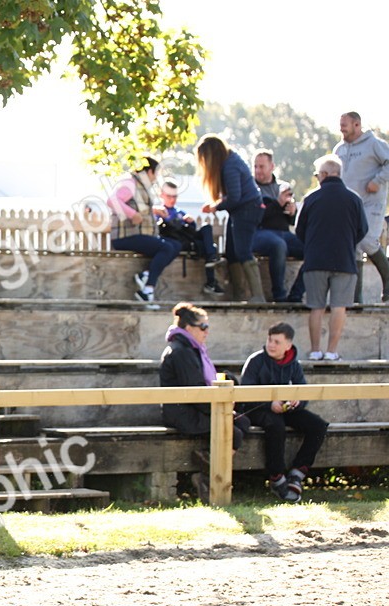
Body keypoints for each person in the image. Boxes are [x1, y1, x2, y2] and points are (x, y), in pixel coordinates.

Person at [158, 302, 249, 502]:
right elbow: (195, 392)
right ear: (189, 328)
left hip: (193, 409)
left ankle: (207, 461)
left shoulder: (191, 348)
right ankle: (210, 480)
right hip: (182, 414)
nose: (207, 332)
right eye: (204, 327)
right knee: (232, 431)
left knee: (242, 421)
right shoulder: (181, 351)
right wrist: (220, 412)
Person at [239, 322, 329, 502]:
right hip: (256, 409)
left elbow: (303, 392)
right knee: (275, 425)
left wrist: (297, 402)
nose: (271, 345)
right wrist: (269, 404)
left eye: (277, 342)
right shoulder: (256, 361)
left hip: (284, 409)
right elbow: (245, 394)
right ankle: (276, 476)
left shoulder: (294, 364)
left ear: (288, 345)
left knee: (318, 426)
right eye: (269, 340)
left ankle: (298, 472)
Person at [296, 155, 368, 361]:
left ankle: (315, 349)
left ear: (325, 174)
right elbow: (362, 229)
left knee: (316, 307)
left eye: (318, 174)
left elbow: (300, 230)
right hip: (345, 260)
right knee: (339, 307)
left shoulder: (311, 199)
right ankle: (332, 351)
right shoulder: (354, 199)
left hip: (316, 261)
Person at [197, 135, 267, 302]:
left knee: (243, 251)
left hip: (247, 210)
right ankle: (239, 295)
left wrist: (216, 206)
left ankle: (258, 296)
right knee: (232, 253)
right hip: (241, 210)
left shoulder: (230, 166)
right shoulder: (231, 160)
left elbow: (235, 197)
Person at [107, 155, 179, 303]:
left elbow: (138, 206)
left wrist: (155, 211)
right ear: (150, 172)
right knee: (165, 248)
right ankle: (147, 289)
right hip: (125, 236)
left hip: (138, 234)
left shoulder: (140, 186)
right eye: (156, 173)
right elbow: (112, 200)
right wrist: (132, 215)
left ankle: (146, 275)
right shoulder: (130, 183)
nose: (156, 178)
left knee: (176, 246)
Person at [334, 111, 389, 304]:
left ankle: (388, 278)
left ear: (357, 125)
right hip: (350, 206)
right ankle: (355, 298)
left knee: (367, 240)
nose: (341, 128)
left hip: (371, 202)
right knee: (353, 246)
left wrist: (378, 180)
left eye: (345, 125)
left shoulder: (374, 144)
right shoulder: (339, 149)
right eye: (340, 125)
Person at [156, 180, 226, 296]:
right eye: (169, 196)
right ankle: (211, 280)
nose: (172, 199)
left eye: (175, 196)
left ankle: (211, 261)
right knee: (209, 249)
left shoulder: (180, 212)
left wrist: (190, 223)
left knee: (207, 230)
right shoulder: (159, 211)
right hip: (175, 241)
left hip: (189, 239)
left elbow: (191, 230)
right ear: (162, 195)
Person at [251, 150, 304, 302]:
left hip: (282, 232)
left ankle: (296, 294)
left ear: (272, 166)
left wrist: (292, 211)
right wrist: (277, 204)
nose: (258, 171)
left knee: (313, 248)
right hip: (259, 232)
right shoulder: (251, 188)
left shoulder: (283, 187)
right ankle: (279, 295)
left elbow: (290, 221)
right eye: (255, 167)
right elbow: (256, 217)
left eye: (261, 166)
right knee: (278, 245)